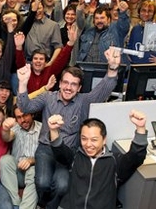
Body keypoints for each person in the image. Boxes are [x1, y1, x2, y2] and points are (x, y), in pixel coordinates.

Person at [17, 46, 121, 208]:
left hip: (68, 152)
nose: (68, 87)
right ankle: (43, 203)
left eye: (73, 84)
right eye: (65, 82)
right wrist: (23, 84)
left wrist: (113, 68)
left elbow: (103, 90)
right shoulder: (47, 97)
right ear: (59, 83)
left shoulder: (83, 101)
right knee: (43, 183)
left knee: (62, 186)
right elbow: (25, 107)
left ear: (79, 88)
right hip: (46, 148)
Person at [48, 110, 148, 209]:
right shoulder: (76, 156)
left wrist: (141, 128)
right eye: (84, 138)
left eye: (94, 140)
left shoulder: (114, 161)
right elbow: (59, 150)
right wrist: (53, 130)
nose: (88, 144)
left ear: (104, 140)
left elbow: (136, 157)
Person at [0, 105, 42, 209]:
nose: (22, 120)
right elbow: (7, 137)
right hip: (17, 172)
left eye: (25, 115)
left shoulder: (42, 128)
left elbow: (48, 156)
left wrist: (32, 160)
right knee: (5, 160)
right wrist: (5, 129)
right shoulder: (15, 128)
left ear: (32, 114)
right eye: (19, 117)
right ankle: (15, 204)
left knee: (33, 171)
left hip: (34, 172)